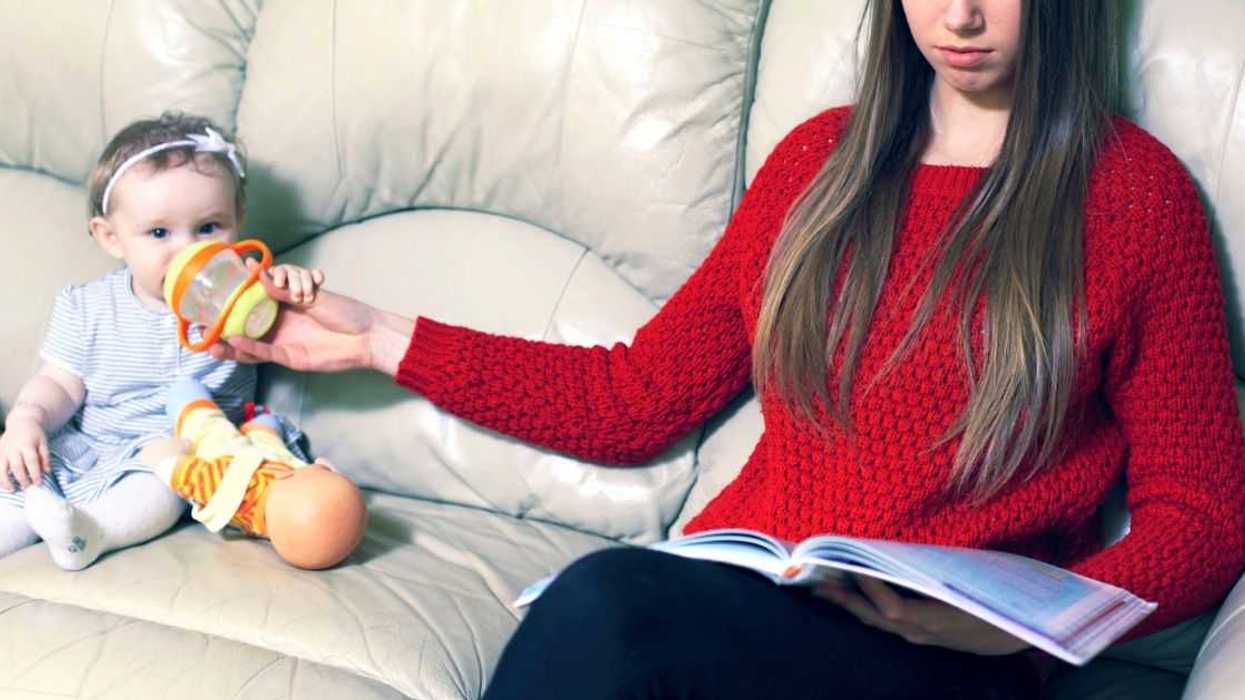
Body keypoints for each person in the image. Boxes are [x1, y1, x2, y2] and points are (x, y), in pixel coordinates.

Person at [209, 0, 1245, 697]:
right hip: (750, 598)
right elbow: (637, 395)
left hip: (950, 655)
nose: (960, 14)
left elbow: (1204, 513)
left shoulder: (1133, 200)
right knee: (608, 609)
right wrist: (381, 338)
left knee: (605, 609)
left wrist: (1029, 630)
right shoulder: (816, 169)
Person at [0, 112, 325, 571]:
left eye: (209, 227)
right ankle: (36, 515)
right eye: (159, 233)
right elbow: (60, 384)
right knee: (19, 478)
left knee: (163, 487)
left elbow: (297, 326)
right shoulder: (87, 306)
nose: (188, 250)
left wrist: (291, 289)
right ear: (111, 238)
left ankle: (91, 533)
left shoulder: (245, 294)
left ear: (239, 220)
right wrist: (26, 418)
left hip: (179, 454)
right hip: (89, 445)